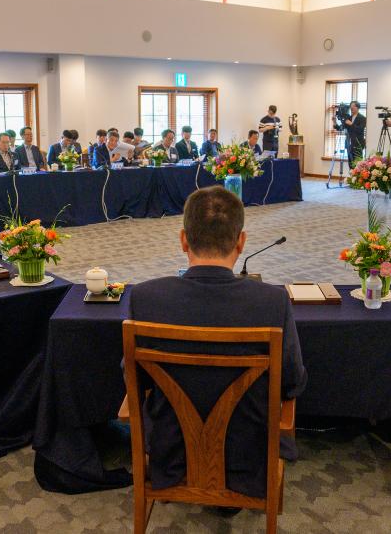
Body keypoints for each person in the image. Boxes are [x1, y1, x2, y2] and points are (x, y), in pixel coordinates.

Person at [129, 186, 307, 499]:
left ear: (183, 240)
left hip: (170, 456)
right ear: (241, 242)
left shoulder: (145, 298)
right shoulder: (273, 301)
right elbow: (291, 381)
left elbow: (134, 378)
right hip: (249, 459)